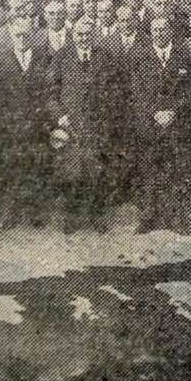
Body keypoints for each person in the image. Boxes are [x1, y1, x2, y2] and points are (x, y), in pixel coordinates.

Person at [47, 20, 120, 233]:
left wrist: (107, 117)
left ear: (93, 35)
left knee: (96, 172)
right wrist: (60, 117)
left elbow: (115, 91)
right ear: (73, 35)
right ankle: (73, 217)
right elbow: (51, 92)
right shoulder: (62, 57)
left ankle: (97, 217)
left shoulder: (104, 57)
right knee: (72, 173)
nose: (83, 38)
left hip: (97, 127)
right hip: (71, 127)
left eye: (87, 34)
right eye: (79, 34)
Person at [131, 18, 191, 234]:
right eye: (155, 30)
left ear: (171, 31)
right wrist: (154, 112)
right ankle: (148, 218)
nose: (159, 33)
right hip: (150, 126)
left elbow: (190, 90)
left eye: (163, 29)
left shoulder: (184, 56)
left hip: (176, 124)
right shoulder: (141, 56)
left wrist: (173, 112)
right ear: (150, 32)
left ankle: (177, 219)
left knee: (176, 172)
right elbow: (137, 91)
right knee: (149, 171)